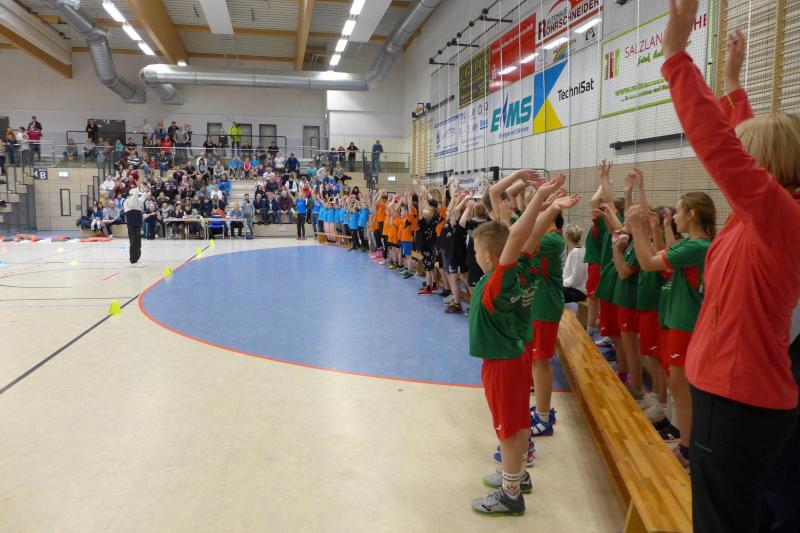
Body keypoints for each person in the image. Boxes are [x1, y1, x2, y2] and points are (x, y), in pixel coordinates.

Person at [660, 3, 800, 530]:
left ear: (766, 169)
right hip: (738, 399)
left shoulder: (779, 218)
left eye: (750, 158)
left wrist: (676, 57)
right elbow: (738, 140)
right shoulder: (763, 218)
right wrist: (733, 85)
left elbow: (723, 149)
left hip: (736, 403)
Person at [469, 172, 574, 516]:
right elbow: (531, 235)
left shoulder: (498, 281)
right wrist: (549, 208)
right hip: (515, 355)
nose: (475, 255)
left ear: (489, 257)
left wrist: (543, 197)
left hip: (502, 361)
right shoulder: (523, 268)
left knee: (508, 429)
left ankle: (510, 493)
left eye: (476, 250)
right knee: (518, 422)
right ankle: (517, 474)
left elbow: (517, 235)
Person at [123, 181, 147, 267]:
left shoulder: (136, 201)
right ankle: (133, 260)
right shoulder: (127, 202)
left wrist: (146, 192)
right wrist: (138, 187)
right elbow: (133, 200)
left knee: (138, 243)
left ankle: (136, 259)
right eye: (137, 195)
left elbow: (142, 199)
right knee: (133, 243)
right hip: (132, 226)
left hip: (137, 225)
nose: (138, 196)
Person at [562, 224, 587, 305]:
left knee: (551, 292)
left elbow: (576, 277)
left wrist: (562, 282)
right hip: (577, 289)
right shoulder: (582, 250)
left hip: (578, 291)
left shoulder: (575, 252)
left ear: (567, 237)